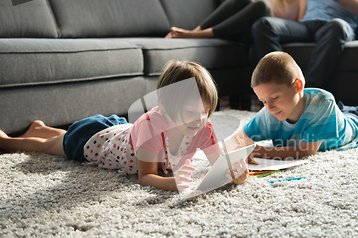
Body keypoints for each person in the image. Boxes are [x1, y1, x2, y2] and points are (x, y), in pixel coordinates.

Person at [0, 60, 248, 192]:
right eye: (191, 111)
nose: (200, 118)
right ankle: (9, 141)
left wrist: (233, 172)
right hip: (97, 139)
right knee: (57, 145)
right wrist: (171, 184)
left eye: (206, 111)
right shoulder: (153, 128)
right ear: (165, 106)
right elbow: (146, 177)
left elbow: (218, 162)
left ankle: (39, 126)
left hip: (125, 131)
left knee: (62, 134)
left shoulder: (202, 127)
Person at [248, 0, 358, 90]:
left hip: (334, 27)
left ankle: (308, 92)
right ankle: (281, 86)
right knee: (264, 24)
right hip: (306, 26)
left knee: (337, 25)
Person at [166, 0, 308, 43]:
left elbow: (297, 28)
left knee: (263, 5)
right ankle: (196, 31)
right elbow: (250, 12)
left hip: (260, 35)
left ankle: (198, 35)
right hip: (238, 28)